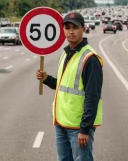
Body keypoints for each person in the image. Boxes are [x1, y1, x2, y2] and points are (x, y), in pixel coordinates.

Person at [36, 12, 104, 161]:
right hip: (61, 123)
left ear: (83, 29)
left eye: (75, 27)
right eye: (67, 27)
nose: (71, 32)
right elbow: (63, 85)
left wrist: (85, 129)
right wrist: (46, 79)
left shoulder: (90, 59)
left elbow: (93, 97)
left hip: (78, 127)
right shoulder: (67, 53)